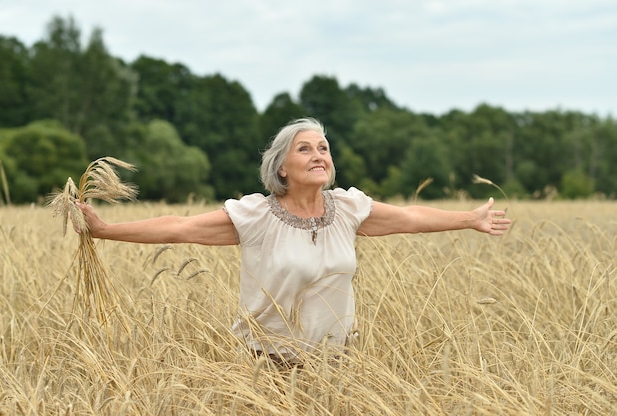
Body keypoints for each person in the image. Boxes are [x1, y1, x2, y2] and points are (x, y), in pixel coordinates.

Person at [75, 117, 511, 368]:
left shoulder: (348, 209)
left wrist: (469, 218)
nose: (319, 155)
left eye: (324, 147)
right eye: (305, 149)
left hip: (337, 361)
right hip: (271, 363)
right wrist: (106, 229)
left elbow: (412, 217)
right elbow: (179, 226)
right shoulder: (256, 216)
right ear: (281, 167)